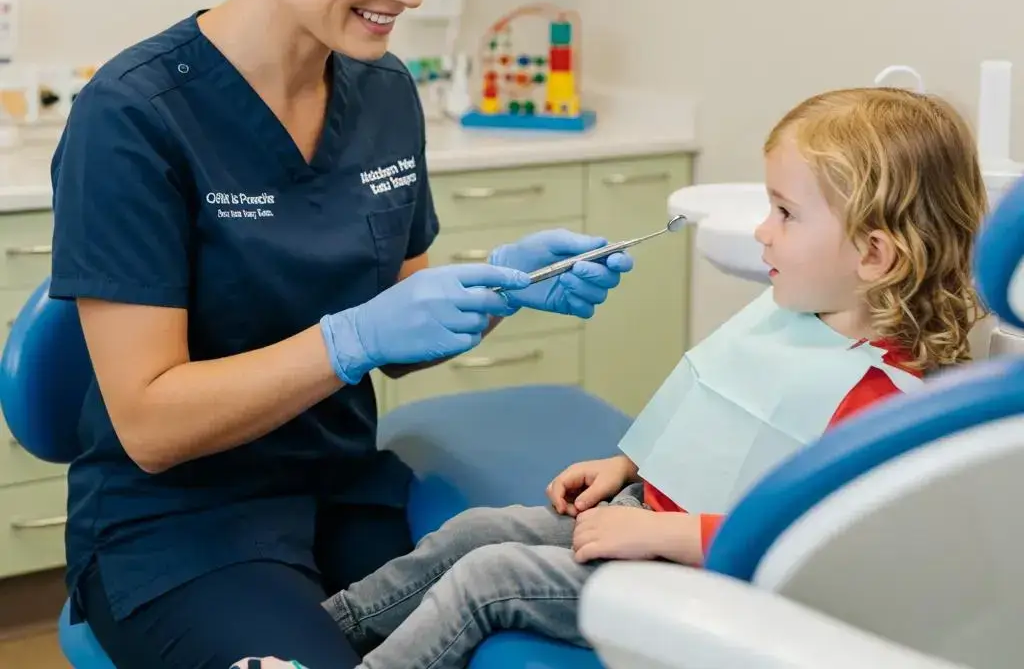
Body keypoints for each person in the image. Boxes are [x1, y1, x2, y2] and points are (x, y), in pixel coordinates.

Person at [48, 0, 633, 669]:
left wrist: (501, 288)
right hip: (183, 524)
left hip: (342, 487)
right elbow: (152, 426)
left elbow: (397, 309)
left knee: (539, 637)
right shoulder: (135, 115)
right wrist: (347, 340)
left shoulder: (383, 88)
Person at [318, 87, 987, 669]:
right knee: (473, 532)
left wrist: (661, 535)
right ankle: (324, 630)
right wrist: (627, 466)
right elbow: (714, 413)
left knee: (491, 578)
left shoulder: (877, 403)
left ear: (872, 253)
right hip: (650, 521)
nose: (762, 231)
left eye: (785, 213)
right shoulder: (797, 316)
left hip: (706, 585)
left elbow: (810, 544)